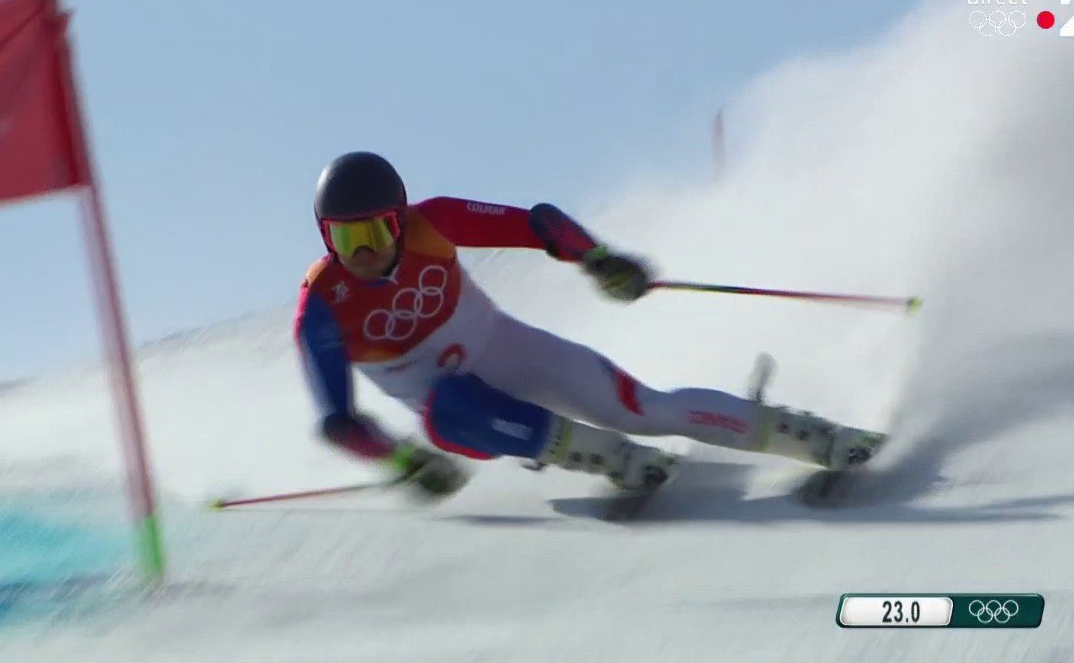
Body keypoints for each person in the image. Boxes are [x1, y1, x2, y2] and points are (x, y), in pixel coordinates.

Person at [294, 151, 884, 501]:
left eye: (373, 232)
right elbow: (338, 421)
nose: (362, 251)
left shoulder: (435, 223)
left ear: (399, 220)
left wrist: (597, 260)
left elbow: (538, 223)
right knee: (449, 407)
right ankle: (606, 457)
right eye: (344, 237)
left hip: (508, 351)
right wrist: (400, 461)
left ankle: (810, 435)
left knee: (645, 408)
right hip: (461, 416)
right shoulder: (323, 303)